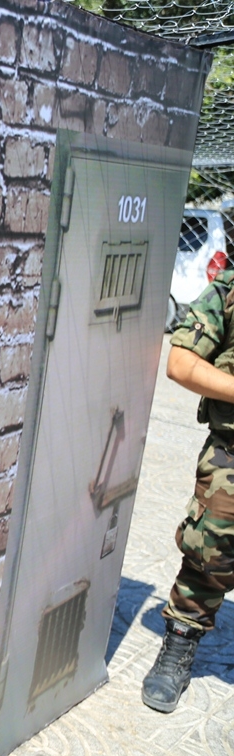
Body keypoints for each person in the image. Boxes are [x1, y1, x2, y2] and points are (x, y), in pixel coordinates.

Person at [142, 271, 234, 713]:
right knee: (211, 549)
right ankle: (181, 638)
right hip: (231, 453)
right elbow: (180, 363)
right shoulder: (228, 292)